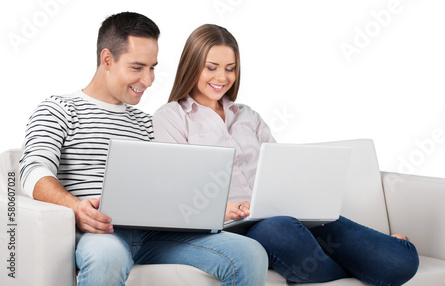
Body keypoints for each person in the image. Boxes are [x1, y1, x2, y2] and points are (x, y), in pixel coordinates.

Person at [153, 24, 420, 285]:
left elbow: (280, 169)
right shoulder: (171, 118)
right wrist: (224, 209)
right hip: (237, 228)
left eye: (230, 68)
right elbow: (176, 193)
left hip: (285, 215)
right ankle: (352, 267)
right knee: (281, 231)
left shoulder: (248, 116)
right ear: (191, 65)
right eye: (211, 68)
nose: (222, 78)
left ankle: (354, 257)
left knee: (401, 262)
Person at [19, 13, 268, 286]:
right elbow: (32, 170)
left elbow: (173, 186)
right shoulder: (59, 109)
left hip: (155, 233)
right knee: (107, 259)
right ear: (107, 60)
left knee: (250, 254)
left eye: (152, 68)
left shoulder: (147, 123)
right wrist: (76, 208)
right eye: (137, 68)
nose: (148, 81)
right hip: (102, 233)